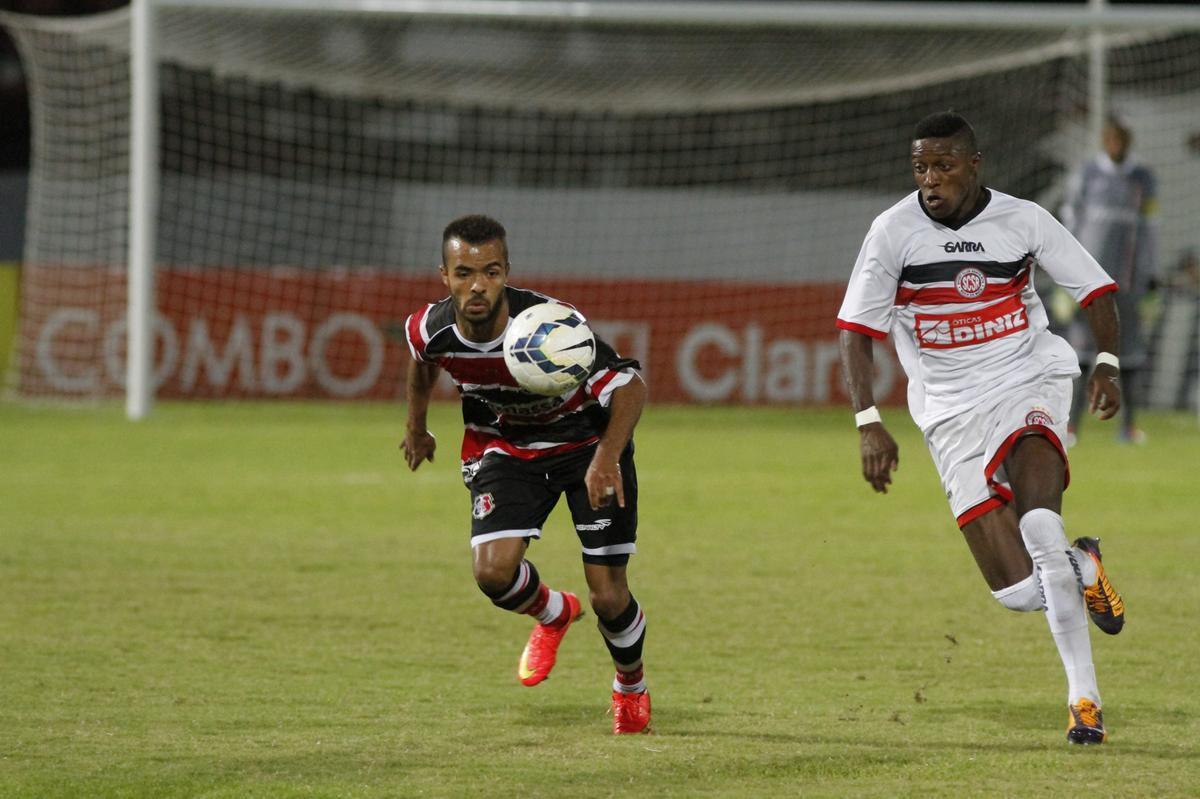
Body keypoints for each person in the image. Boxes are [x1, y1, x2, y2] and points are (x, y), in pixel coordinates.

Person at [836, 111, 1126, 745]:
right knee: (1020, 592)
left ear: (973, 164)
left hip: (1029, 380)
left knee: (1040, 526)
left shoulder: (1023, 220)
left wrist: (1106, 361)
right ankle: (1082, 564)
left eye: (943, 166)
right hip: (949, 412)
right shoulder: (892, 232)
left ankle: (1084, 701)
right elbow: (855, 332)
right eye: (920, 167)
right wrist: (868, 422)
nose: (930, 179)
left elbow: (1096, 288)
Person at [401, 214, 652, 735]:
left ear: (507, 272)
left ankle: (630, 686)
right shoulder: (430, 327)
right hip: (507, 449)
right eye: (464, 273)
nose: (477, 285)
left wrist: (607, 457)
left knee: (608, 596)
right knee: (492, 574)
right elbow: (422, 360)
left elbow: (630, 386)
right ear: (444, 276)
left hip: (586, 449)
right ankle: (554, 612)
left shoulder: (549, 325)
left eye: (490, 272)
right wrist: (417, 427)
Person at [1060, 115, 1158, 444]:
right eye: (1112, 138)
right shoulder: (1087, 174)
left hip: (1128, 282)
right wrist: (1066, 273)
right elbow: (1069, 224)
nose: (1117, 144)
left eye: (1122, 139)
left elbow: (1151, 228)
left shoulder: (1143, 177)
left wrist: (1149, 275)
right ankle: (1071, 427)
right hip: (1088, 284)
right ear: (1104, 140)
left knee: (1128, 354)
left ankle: (1127, 428)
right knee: (1081, 353)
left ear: (1129, 141)